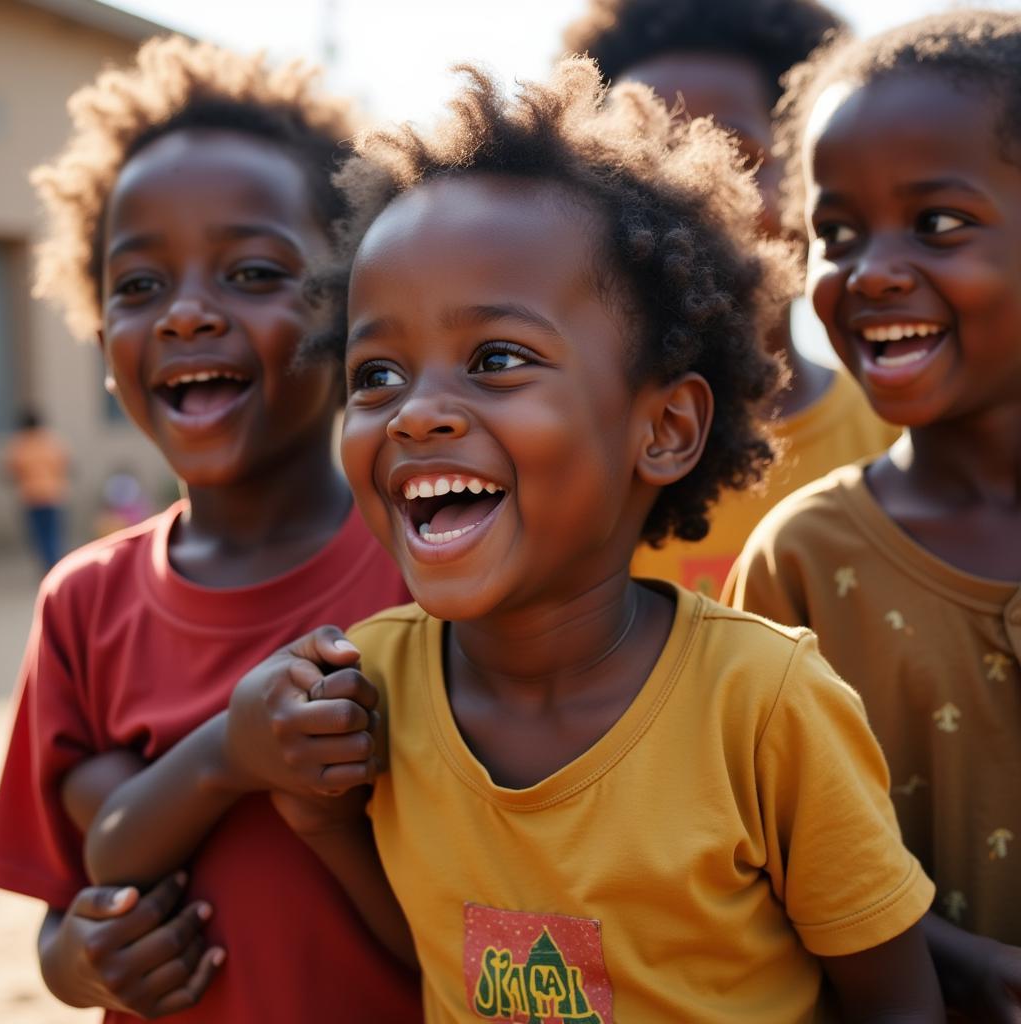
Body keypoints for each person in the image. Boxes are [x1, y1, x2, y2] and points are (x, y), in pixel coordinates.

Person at [223, 58, 941, 1021]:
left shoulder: (762, 709)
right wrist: (319, 818)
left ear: (666, 429)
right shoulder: (369, 690)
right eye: (377, 374)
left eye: (497, 359)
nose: (417, 412)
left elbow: (897, 1002)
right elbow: (444, 953)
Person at [0, 37, 419, 1022]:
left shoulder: (428, 565)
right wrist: (89, 964)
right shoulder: (82, 605)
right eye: (139, 287)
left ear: (354, 306)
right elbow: (63, 930)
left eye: (253, 271)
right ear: (103, 342)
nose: (187, 313)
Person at [724, 11, 1021, 1021]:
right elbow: (752, 851)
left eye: (937, 222)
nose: (871, 269)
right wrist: (938, 953)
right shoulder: (800, 557)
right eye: (835, 233)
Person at [564, 0, 899, 598]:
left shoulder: (898, 439)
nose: (692, 191)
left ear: (812, 183)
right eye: (646, 157)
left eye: (739, 156)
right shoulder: (567, 459)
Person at [3, 408, 70, 572]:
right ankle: (56, 566)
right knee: (54, 535)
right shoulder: (51, 441)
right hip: (54, 495)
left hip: (32, 497)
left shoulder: (20, 445)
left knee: (40, 537)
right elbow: (65, 464)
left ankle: (49, 567)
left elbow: (11, 471)